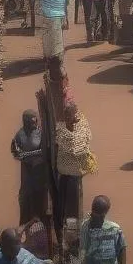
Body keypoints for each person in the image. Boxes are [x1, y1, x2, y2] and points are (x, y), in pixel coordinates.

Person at [12, 110, 52, 243]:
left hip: (39, 171)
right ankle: (24, 231)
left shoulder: (41, 133)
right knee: (25, 197)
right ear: (26, 122)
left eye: (35, 121)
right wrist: (18, 154)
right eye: (31, 121)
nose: (34, 124)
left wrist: (29, 154)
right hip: (27, 171)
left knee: (39, 198)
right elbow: (15, 151)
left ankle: (41, 231)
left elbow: (45, 151)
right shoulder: (20, 135)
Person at [54, 102, 93, 238]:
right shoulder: (61, 127)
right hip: (63, 173)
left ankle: (74, 235)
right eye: (65, 114)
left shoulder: (82, 126)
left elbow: (78, 148)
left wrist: (69, 142)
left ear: (74, 114)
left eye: (68, 114)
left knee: (74, 205)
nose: (66, 117)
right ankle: (64, 231)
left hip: (75, 174)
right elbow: (61, 141)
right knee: (63, 203)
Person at [79, 195, 127, 264]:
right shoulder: (85, 226)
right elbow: (83, 251)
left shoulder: (114, 229)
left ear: (105, 213)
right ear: (92, 211)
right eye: (95, 216)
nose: (99, 220)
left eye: (102, 217)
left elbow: (122, 250)